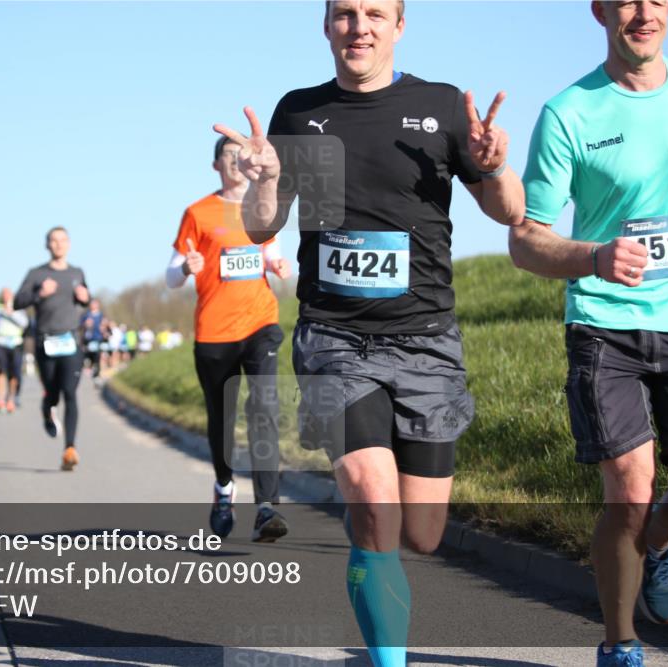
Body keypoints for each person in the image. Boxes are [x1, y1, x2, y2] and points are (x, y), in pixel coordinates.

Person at [213, 1, 524, 663]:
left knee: (424, 532)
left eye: (376, 13)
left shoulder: (441, 107)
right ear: (326, 27)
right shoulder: (298, 112)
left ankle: (373, 556)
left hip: (426, 338)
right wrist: (265, 182)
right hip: (335, 336)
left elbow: (511, 211)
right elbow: (265, 225)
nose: (360, 26)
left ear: (399, 26)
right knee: (374, 496)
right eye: (346, 14)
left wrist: (493, 165)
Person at [508, 2, 668, 665]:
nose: (643, 14)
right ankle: (620, 643)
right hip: (605, 323)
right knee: (629, 484)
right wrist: (593, 256)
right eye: (627, 1)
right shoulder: (569, 112)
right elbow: (526, 239)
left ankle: (664, 542)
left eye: (658, 1)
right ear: (600, 10)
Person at [166, 134, 295, 542]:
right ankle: (224, 490)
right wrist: (186, 268)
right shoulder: (198, 213)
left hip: (260, 323)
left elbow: (271, 248)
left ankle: (266, 507)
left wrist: (276, 262)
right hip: (214, 331)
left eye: (242, 156)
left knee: (264, 407)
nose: (237, 162)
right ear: (216, 165)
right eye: (228, 156)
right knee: (222, 419)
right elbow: (170, 276)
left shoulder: (261, 203)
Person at [14, 227, 91, 471]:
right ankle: (47, 412)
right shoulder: (37, 274)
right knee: (52, 392)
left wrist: (85, 297)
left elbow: (86, 298)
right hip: (45, 342)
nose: (58, 245)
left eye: (63, 240)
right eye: (54, 241)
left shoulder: (77, 273)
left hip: (71, 341)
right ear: (47, 245)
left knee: (70, 393)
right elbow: (17, 302)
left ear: (69, 244)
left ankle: (70, 449)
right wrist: (39, 293)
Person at [0, 288, 29, 413]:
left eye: (8, 294)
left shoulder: (19, 309)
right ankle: (0, 399)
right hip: (0, 342)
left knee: (14, 373)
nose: (6, 297)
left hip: (15, 343)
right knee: (0, 370)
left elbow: (24, 323)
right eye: (4, 294)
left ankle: (11, 399)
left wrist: (11, 313)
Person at [82, 299, 107, 385]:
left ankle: (97, 373)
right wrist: (86, 324)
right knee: (89, 355)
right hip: (89, 339)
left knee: (98, 355)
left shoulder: (101, 315)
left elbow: (105, 325)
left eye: (95, 304)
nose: (93, 306)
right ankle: (89, 367)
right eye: (92, 304)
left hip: (98, 338)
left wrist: (104, 327)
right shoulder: (87, 315)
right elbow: (81, 325)